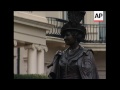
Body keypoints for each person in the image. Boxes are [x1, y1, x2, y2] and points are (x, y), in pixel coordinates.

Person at [47, 11, 99, 79]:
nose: (65, 38)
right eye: (64, 36)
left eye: (67, 35)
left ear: (76, 36)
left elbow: (90, 75)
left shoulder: (86, 54)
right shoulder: (61, 55)